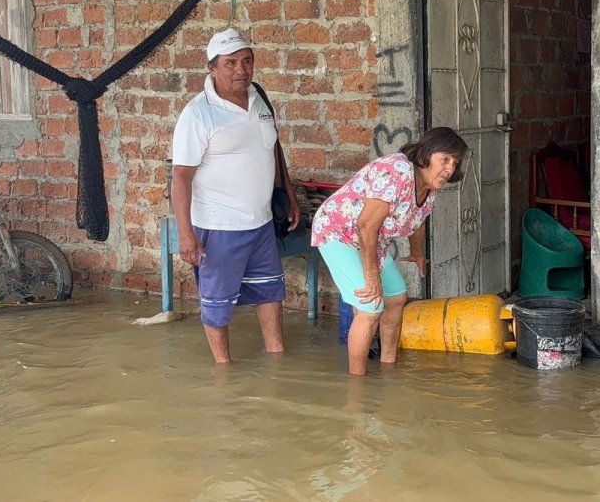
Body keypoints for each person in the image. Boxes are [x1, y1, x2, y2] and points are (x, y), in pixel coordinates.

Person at [171, 27, 300, 365]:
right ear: (212, 68)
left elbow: (273, 148)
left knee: (270, 292)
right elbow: (181, 177)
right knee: (217, 302)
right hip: (219, 225)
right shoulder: (198, 114)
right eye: (230, 63)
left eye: (246, 61)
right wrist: (186, 234)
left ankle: (277, 357)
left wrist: (289, 193)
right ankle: (223, 369)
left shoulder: (259, 96)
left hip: (259, 221)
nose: (240, 70)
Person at [311, 127, 469, 375]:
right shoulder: (396, 172)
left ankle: (388, 368)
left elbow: (419, 220)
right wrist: (372, 278)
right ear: (426, 155)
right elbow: (365, 224)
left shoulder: (429, 189)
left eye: (455, 162)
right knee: (371, 306)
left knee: (396, 298)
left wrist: (417, 253)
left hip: (371, 239)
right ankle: (357, 383)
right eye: (445, 159)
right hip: (339, 232)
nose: (449, 169)